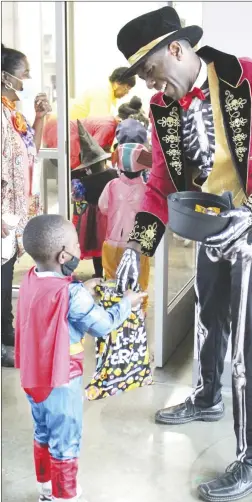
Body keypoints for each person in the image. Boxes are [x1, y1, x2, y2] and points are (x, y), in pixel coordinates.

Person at [116, 6, 252, 502]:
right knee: (208, 311)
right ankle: (206, 398)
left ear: (177, 50)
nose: (150, 85)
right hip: (215, 218)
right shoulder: (165, 108)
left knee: (250, 336)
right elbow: (161, 183)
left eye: (150, 70)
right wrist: (135, 248)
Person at [15, 214, 146, 502]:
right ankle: (64, 496)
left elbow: (52, 302)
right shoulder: (72, 294)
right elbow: (103, 325)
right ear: (64, 255)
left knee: (44, 431)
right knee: (67, 438)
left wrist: (82, 290)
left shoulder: (30, 279)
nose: (79, 247)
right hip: (61, 379)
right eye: (76, 243)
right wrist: (127, 303)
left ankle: (46, 486)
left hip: (33, 378)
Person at [1, 44, 51, 367]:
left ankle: (6, 335)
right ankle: (4, 340)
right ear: (5, 77)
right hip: (2, 211)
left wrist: (41, 117)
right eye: (24, 75)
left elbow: (28, 152)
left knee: (4, 274)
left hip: (12, 212)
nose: (29, 80)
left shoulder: (12, 113)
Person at [98, 118, 152, 312]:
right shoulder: (147, 190)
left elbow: (103, 207)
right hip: (139, 246)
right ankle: (139, 314)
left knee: (112, 278)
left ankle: (113, 312)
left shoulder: (111, 186)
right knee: (140, 280)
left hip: (112, 242)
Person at [71, 121, 118, 278]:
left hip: (92, 215)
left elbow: (76, 198)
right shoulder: (113, 174)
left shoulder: (82, 182)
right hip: (111, 214)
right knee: (111, 244)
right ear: (103, 161)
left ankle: (98, 274)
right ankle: (112, 271)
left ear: (87, 166)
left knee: (96, 246)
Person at [68, 67, 136, 120]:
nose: (127, 92)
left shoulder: (107, 93)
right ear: (117, 82)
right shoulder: (102, 93)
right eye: (127, 88)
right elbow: (98, 124)